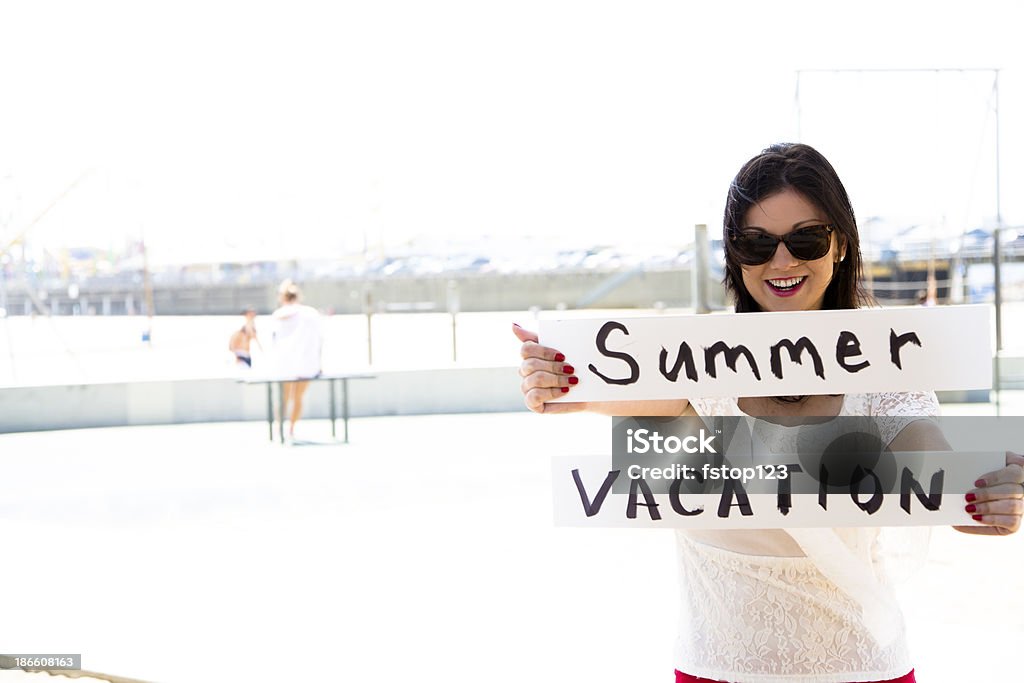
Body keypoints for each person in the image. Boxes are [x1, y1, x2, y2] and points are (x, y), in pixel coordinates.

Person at [513, 143, 1024, 683]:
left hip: (860, 667)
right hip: (715, 667)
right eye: (756, 244)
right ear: (734, 255)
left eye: (806, 238)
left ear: (842, 245)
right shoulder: (694, 359)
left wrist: (979, 490)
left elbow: (926, 451)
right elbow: (592, 387)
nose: (782, 262)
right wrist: (551, 374)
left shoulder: (885, 362)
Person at [269, 280, 323, 438]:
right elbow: (319, 340)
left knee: (284, 397)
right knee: (298, 397)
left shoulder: (278, 315)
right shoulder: (311, 314)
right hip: (308, 364)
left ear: (282, 298)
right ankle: (291, 429)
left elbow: (273, 341)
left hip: (285, 365)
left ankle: (279, 427)